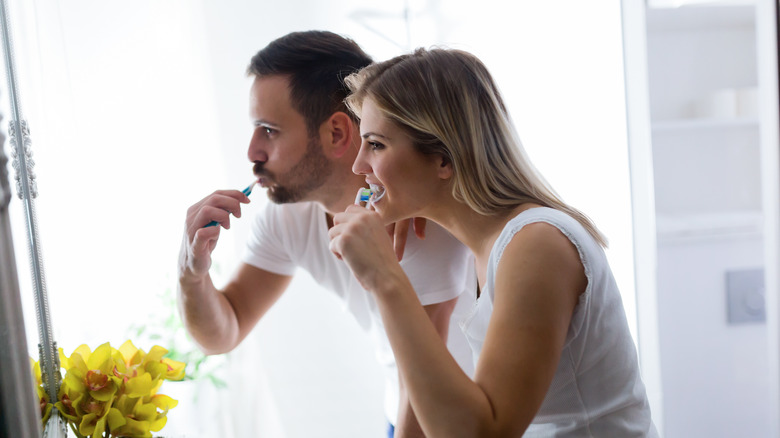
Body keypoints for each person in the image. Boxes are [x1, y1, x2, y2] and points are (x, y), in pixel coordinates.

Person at [328, 48, 659, 437]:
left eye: (377, 144)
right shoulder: (481, 245)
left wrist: (385, 277)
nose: (358, 166)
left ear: (444, 159)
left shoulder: (537, 245)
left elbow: (481, 433)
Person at [177, 31, 475, 436]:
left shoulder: (415, 215)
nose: (252, 152)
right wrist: (192, 273)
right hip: (399, 411)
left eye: (268, 129)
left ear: (336, 133)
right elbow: (223, 331)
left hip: (461, 418)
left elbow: (421, 377)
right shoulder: (287, 218)